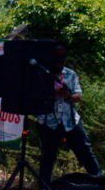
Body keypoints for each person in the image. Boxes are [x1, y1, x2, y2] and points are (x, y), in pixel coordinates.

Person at [39, 44, 101, 181]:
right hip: (49, 121)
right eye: (57, 61)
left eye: (62, 61)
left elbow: (78, 96)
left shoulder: (70, 74)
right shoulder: (42, 74)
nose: (59, 64)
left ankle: (100, 182)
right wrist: (52, 94)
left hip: (71, 121)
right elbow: (35, 96)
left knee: (85, 152)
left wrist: (67, 95)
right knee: (48, 157)